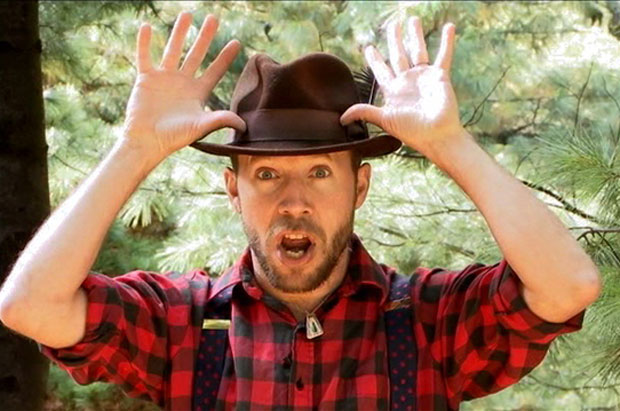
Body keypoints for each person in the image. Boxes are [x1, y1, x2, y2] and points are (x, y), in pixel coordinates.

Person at [0, 11, 601, 411]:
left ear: (358, 188)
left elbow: (566, 287)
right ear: (233, 191)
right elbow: (30, 306)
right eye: (266, 176)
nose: (294, 202)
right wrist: (136, 149)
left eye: (320, 173)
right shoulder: (181, 326)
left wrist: (449, 143)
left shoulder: (427, 322)